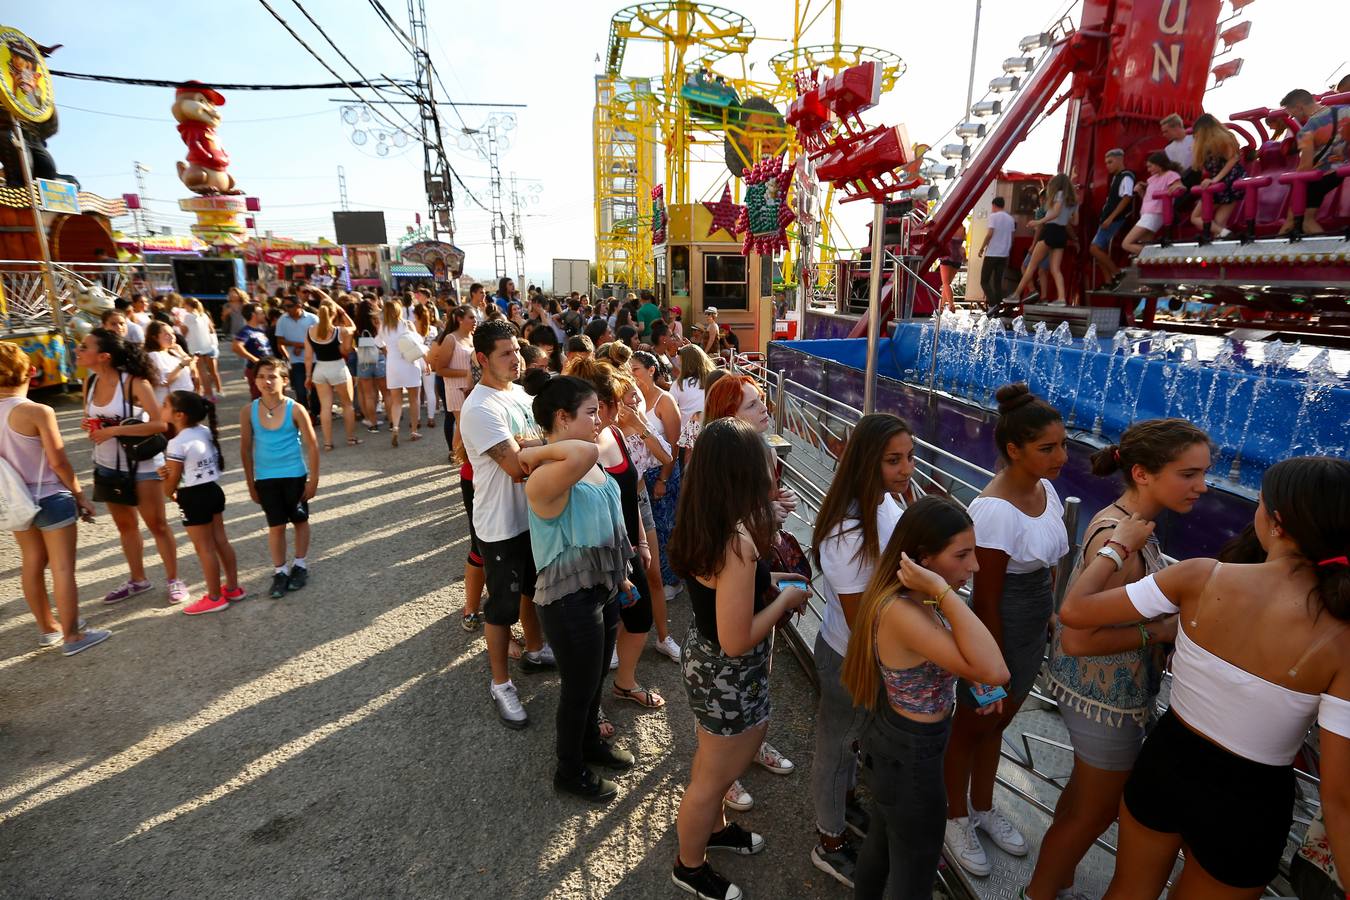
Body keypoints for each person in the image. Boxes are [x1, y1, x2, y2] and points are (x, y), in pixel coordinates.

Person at [1060, 456, 1350, 897]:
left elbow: (1075, 612)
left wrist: (1115, 547)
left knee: (1128, 890)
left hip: (1167, 762)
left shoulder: (1199, 576)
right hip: (1251, 803)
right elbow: (1339, 799)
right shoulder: (1342, 639)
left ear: (1276, 522)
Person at [1023, 420, 1211, 900]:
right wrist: (1161, 631)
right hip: (1103, 704)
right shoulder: (1120, 538)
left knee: (1082, 801)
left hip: (1095, 694)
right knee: (1095, 812)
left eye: (1203, 473)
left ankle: (1054, 883)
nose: (1202, 486)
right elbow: (1079, 639)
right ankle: (1040, 892)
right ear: (1144, 474)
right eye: (1188, 474)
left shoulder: (1128, 523)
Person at [668, 417, 812, 900]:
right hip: (727, 669)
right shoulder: (738, 543)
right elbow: (736, 639)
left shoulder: (707, 517)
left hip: (710, 663)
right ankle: (689, 866)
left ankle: (715, 830)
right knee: (712, 778)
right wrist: (784, 602)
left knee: (717, 764)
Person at [842, 496, 1009, 899]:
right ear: (923, 561)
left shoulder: (912, 601)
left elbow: (960, 660)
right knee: (915, 870)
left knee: (883, 844)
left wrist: (939, 591)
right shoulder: (906, 610)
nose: (976, 565)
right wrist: (942, 590)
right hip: (913, 753)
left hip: (897, 742)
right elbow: (996, 669)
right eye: (963, 555)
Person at [943, 383, 1068, 878]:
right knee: (973, 722)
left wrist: (1050, 612)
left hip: (1033, 620)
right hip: (1000, 625)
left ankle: (983, 804)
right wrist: (987, 667)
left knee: (999, 721)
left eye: (1063, 445)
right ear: (1014, 450)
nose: (1061, 456)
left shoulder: (1047, 489)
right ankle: (955, 817)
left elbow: (1050, 562)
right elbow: (987, 598)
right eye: (1048, 448)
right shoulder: (993, 511)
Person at [807, 414, 922, 887]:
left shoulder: (885, 503)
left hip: (873, 655)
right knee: (835, 748)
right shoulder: (847, 528)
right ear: (865, 462)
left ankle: (845, 802)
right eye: (894, 460)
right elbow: (862, 620)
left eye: (910, 457)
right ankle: (829, 840)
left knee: (850, 744)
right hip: (852, 658)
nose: (907, 468)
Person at [518, 376, 636, 802]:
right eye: (590, 413)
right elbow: (585, 449)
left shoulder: (581, 461)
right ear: (561, 418)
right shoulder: (546, 476)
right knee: (578, 688)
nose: (599, 420)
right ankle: (569, 770)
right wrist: (536, 450)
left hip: (600, 589)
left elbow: (606, 518)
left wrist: (620, 576)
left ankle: (590, 744)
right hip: (569, 601)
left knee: (594, 678)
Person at [700, 373, 802, 811]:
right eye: (750, 405)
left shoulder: (761, 455)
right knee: (722, 713)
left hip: (755, 584)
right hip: (731, 620)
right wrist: (768, 518)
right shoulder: (720, 480)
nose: (763, 409)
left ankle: (746, 748)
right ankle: (723, 776)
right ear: (727, 419)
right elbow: (738, 546)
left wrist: (773, 510)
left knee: (756, 680)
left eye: (761, 400)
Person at [459, 319, 557, 729]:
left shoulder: (518, 393)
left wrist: (536, 444)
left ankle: (535, 650)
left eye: (517, 350)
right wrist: (550, 444)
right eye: (505, 353)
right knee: (500, 608)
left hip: (532, 517)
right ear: (483, 359)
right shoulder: (479, 407)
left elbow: (534, 444)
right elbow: (515, 465)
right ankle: (500, 683)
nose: (516, 359)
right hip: (500, 523)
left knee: (534, 591)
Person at [569, 359, 671, 729]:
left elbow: (631, 491)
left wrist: (642, 541)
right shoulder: (577, 448)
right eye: (616, 402)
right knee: (597, 636)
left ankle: (624, 683)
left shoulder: (614, 434)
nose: (625, 408)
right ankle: (589, 704)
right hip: (599, 557)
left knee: (639, 619)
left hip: (628, 546)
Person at [0, 342, 108, 655]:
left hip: (16, 500)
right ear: (30, 372)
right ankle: (73, 636)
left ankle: (48, 628)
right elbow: (59, 462)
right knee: (62, 568)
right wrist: (79, 494)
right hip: (49, 495)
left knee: (31, 563)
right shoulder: (37, 411)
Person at [77, 328, 186, 605]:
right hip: (106, 464)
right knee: (125, 525)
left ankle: (175, 579)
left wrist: (113, 431)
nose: (78, 350)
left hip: (142, 464)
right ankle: (138, 580)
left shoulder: (135, 383)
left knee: (157, 524)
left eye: (84, 347)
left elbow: (161, 423)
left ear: (103, 356)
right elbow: (89, 418)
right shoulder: (89, 383)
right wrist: (91, 425)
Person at [239, 357, 321, 600]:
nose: (266, 381)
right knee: (275, 526)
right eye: (262, 376)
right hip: (266, 479)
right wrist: (250, 482)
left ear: (284, 381)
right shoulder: (249, 411)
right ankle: (280, 571)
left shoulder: (295, 408)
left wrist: (313, 480)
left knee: (299, 520)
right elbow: (245, 449)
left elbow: (312, 444)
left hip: (294, 474)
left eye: (272, 376)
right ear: (255, 381)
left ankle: (300, 564)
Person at [159, 390, 244, 615]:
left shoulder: (176, 443)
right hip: (213, 491)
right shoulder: (204, 431)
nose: (161, 408)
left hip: (193, 497)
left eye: (165, 405)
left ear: (179, 415)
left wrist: (167, 490)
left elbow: (174, 478)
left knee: (204, 548)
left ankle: (215, 597)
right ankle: (233, 588)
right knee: (220, 541)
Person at [630, 351, 682, 595]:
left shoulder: (665, 400)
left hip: (663, 472)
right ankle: (655, 580)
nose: (632, 375)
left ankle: (671, 580)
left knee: (666, 527)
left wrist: (663, 479)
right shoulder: (632, 400)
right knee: (649, 532)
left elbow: (674, 445)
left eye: (636, 369)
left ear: (651, 370)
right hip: (641, 476)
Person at [1280, 88, 1349, 236]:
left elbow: (1305, 166)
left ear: (1299, 107)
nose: (1293, 118)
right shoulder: (1346, 110)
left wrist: (1294, 182)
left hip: (1324, 176)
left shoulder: (1307, 131)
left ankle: (1329, 255)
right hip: (1345, 168)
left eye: (1292, 114)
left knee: (1303, 220)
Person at [1004, 174, 1076, 309]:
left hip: (1051, 230)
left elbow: (1055, 213)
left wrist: (1039, 221)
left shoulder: (1059, 195)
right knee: (1055, 269)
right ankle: (1061, 298)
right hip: (1062, 234)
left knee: (1031, 265)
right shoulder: (1072, 201)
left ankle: (1016, 294)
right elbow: (1075, 220)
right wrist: (1065, 217)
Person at [303, 299, 358, 451]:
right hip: (338, 368)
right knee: (347, 405)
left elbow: (308, 356)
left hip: (319, 369)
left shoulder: (310, 331)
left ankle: (327, 443)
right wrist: (344, 312)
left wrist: (308, 376)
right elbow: (353, 327)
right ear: (334, 313)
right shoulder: (339, 331)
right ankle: (351, 438)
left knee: (325, 407)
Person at [427, 304, 475, 459]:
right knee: (462, 424)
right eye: (471, 317)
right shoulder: (450, 339)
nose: (475, 321)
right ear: (460, 319)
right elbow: (440, 369)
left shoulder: (472, 336)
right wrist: (467, 373)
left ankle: (464, 457)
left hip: (471, 388)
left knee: (468, 425)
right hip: (456, 388)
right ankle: (456, 456)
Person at [377, 298, 426, 447]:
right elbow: (419, 343)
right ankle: (414, 430)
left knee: (396, 401)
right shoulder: (407, 324)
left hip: (392, 365)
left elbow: (378, 343)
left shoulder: (383, 328)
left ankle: (396, 427)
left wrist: (388, 351)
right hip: (409, 363)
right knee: (413, 400)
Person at [1189, 112, 1246, 237]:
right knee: (1219, 223)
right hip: (1232, 183)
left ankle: (1226, 233)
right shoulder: (1221, 139)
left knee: (1195, 217)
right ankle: (1226, 236)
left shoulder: (1222, 140)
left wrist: (1215, 179)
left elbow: (1233, 159)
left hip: (1226, 182)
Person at [1088, 149, 1136, 286]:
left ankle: (1117, 273)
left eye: (1110, 162)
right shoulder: (1117, 177)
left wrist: (1110, 218)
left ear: (1120, 159)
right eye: (1106, 163)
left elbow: (1127, 197)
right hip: (1106, 219)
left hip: (1114, 219)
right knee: (1099, 252)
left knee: (1094, 249)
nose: (1107, 165)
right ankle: (1108, 281)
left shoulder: (1126, 176)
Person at [1122, 152, 1185, 255]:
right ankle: (1152, 259)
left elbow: (1180, 186)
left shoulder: (1170, 174)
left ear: (1158, 164)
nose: (1148, 169)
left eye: (1150, 166)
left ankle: (1157, 255)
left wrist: (1176, 187)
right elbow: (1148, 199)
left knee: (1126, 243)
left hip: (1154, 214)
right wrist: (1141, 191)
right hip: (1147, 213)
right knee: (1145, 244)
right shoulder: (1152, 179)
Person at [274, 294, 320, 419]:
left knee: (316, 390)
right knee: (300, 390)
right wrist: (296, 346)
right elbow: (280, 340)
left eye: (289, 306)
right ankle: (304, 414)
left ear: (299, 305)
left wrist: (303, 346)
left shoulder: (313, 319)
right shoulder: (282, 320)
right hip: (297, 361)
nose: (286, 309)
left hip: (315, 359)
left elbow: (320, 339)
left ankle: (315, 413)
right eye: (285, 306)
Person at [352, 298, 386, 433]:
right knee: (386, 392)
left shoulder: (357, 323)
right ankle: (392, 422)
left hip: (364, 358)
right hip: (379, 355)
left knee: (368, 394)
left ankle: (373, 424)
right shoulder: (378, 320)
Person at [145, 320, 196, 406]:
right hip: (171, 403)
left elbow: (193, 372)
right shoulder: (154, 355)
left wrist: (182, 353)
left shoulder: (173, 352)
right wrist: (181, 365)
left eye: (173, 333)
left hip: (185, 398)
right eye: (167, 334)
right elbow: (165, 381)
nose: (172, 337)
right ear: (154, 337)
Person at [977, 197, 1015, 308]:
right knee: (997, 282)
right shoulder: (1010, 219)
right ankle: (999, 304)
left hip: (992, 253)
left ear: (994, 205)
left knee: (984, 281)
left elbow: (990, 233)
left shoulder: (993, 217)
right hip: (1004, 254)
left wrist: (982, 248)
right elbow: (1012, 237)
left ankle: (993, 304)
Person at [182, 297, 221, 401]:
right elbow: (211, 329)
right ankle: (215, 392)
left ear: (187, 305)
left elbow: (183, 332)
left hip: (195, 347)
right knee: (210, 371)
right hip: (207, 345)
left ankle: (209, 394)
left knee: (202, 371)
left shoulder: (187, 317)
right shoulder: (204, 315)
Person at [231, 302, 271, 400]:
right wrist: (254, 359)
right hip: (255, 369)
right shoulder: (246, 331)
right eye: (261, 312)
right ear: (253, 314)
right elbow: (236, 347)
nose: (264, 315)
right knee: (259, 398)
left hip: (267, 367)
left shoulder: (261, 330)